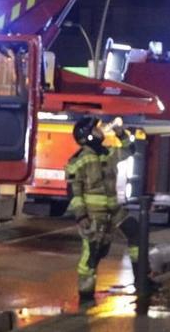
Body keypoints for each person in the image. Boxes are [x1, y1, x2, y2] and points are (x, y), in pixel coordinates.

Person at [64, 115, 150, 304]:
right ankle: (85, 295)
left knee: (136, 233)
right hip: (95, 216)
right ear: (87, 136)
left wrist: (121, 133)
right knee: (93, 254)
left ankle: (142, 280)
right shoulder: (78, 160)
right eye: (96, 128)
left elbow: (129, 149)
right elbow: (74, 192)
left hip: (114, 211)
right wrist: (81, 217)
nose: (101, 130)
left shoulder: (107, 153)